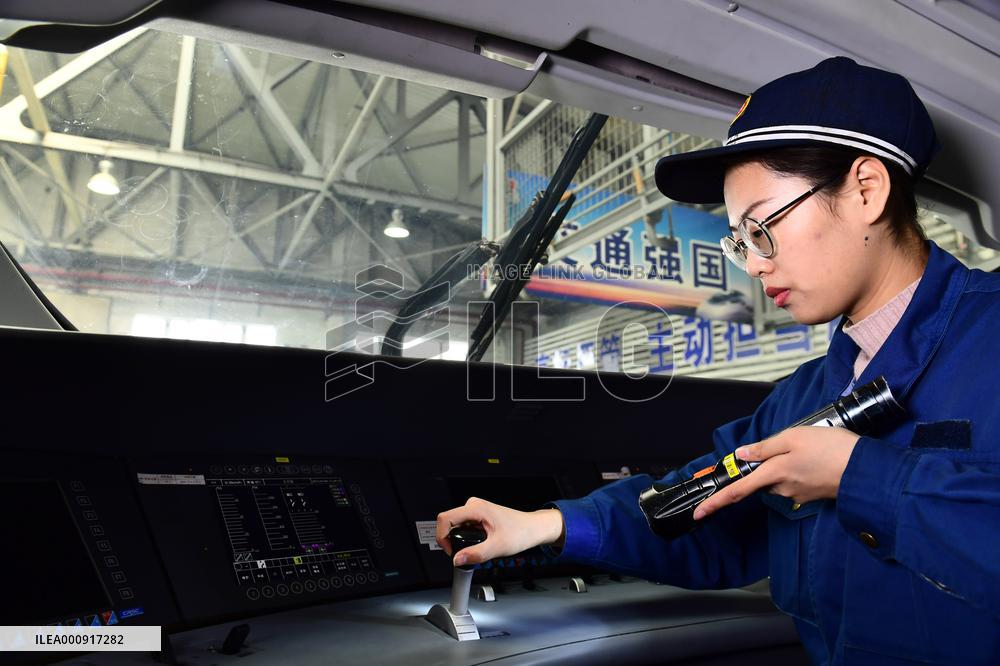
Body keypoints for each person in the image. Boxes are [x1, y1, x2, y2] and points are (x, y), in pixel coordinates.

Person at [436, 57, 1000, 665]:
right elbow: (705, 508)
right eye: (739, 241)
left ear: (866, 189)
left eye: (762, 228)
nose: (753, 264)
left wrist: (863, 477)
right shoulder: (803, 399)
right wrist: (546, 525)